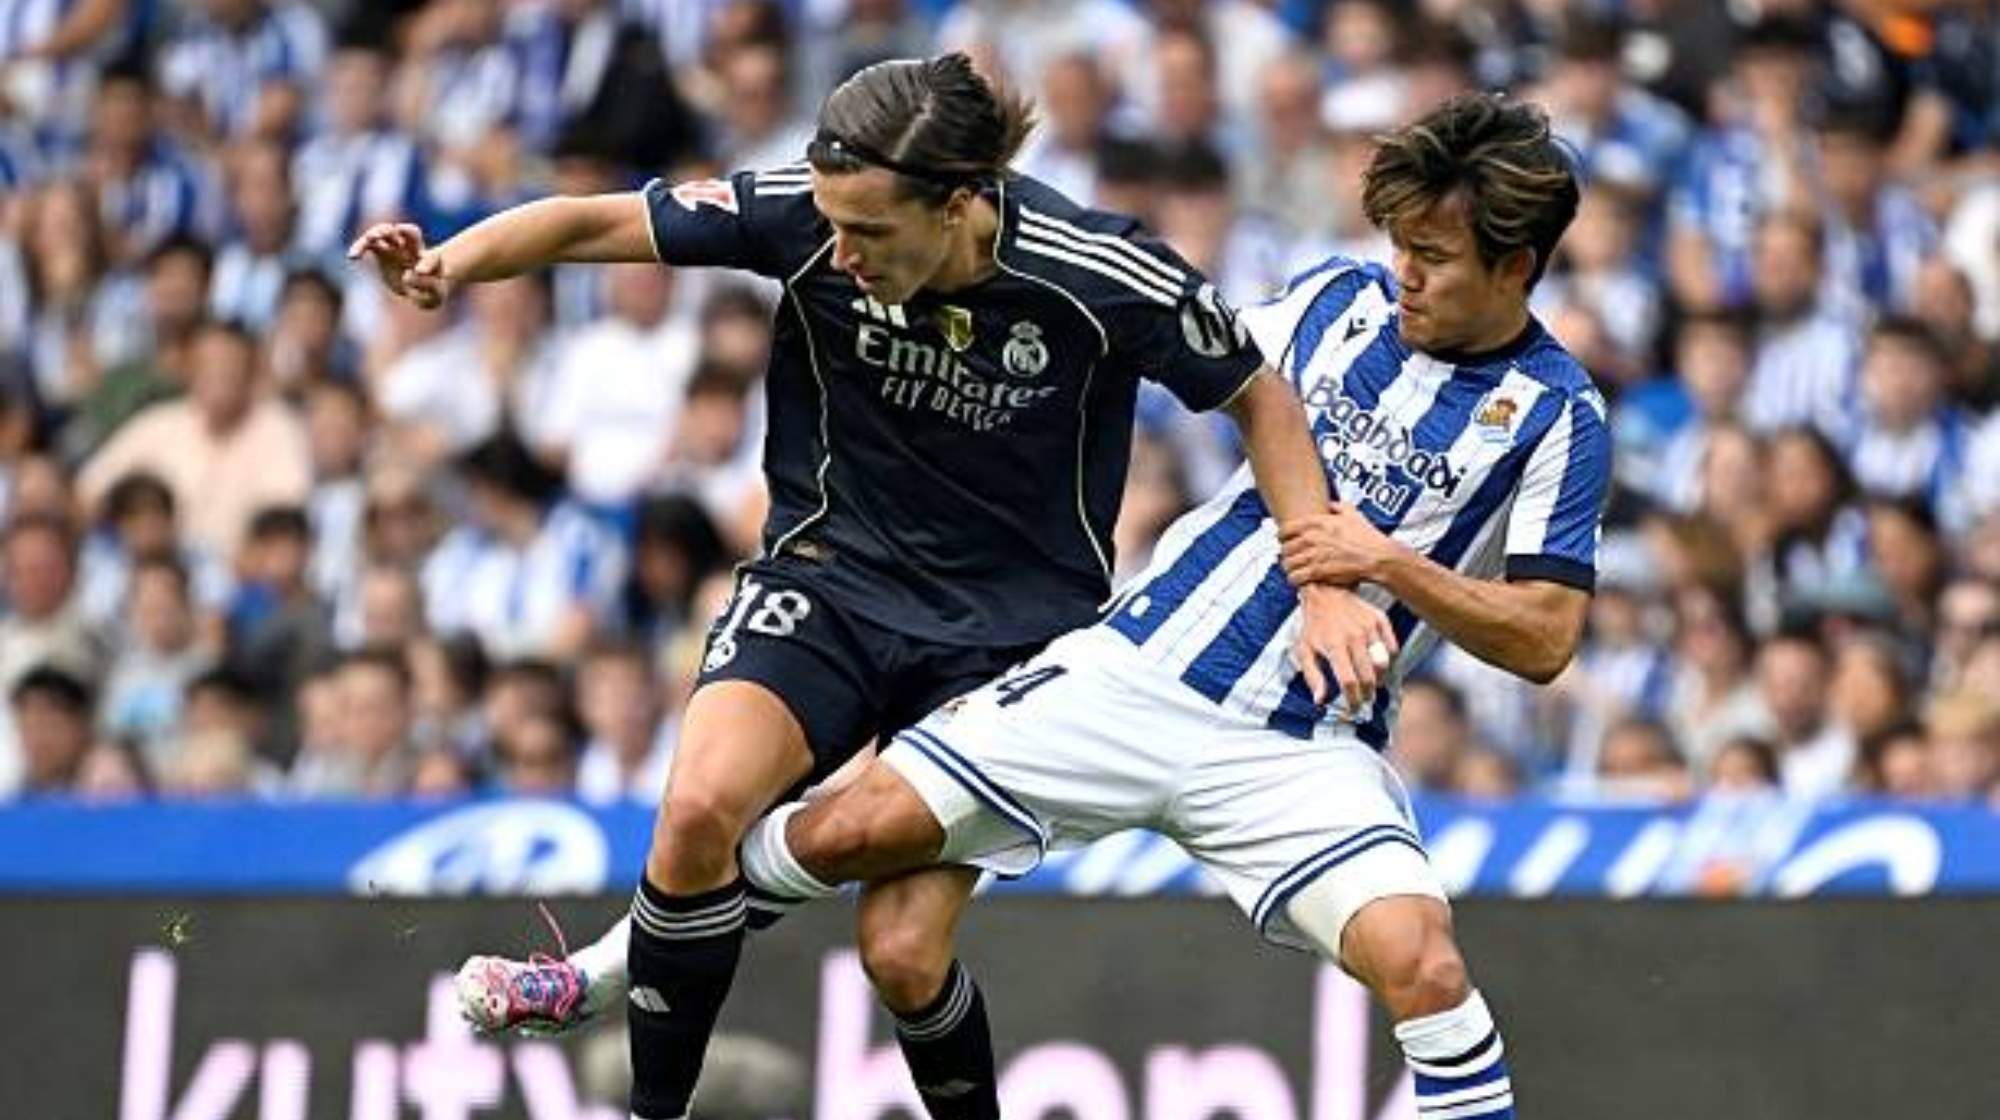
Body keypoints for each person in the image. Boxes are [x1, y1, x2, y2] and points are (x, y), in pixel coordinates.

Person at [355, 54, 1374, 1120]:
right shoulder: (806, 214)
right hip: (832, 580)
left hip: (1009, 646)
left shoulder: (1102, 272)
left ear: (961, 202)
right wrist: (449, 266)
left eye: (871, 235)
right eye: (832, 226)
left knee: (899, 950)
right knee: (696, 808)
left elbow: (1261, 399)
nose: (839, 254)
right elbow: (591, 222)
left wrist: (1322, 581)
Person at [737, 94, 1601, 1120]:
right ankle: (612, 967)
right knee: (842, 838)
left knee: (1424, 966)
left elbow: (1545, 637)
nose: (1404, 271)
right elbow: (1213, 371)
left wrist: (1389, 565)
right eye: (1400, 244)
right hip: (1136, 670)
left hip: (1301, 744)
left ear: (1515, 267)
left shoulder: (1558, 415)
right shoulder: (1333, 300)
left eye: (1435, 256)